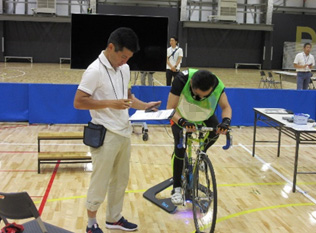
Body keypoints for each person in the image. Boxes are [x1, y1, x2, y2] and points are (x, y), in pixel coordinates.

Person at [74, 27, 161, 233]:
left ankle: (114, 218)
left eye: (128, 58)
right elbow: (79, 102)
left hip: (124, 132)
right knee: (100, 180)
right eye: (123, 56)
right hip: (105, 134)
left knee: (120, 180)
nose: (125, 61)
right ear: (111, 47)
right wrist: (110, 104)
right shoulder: (94, 70)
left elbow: (128, 98)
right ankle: (91, 223)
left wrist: (145, 105)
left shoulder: (124, 69)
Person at [166, 68, 232, 205]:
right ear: (191, 83)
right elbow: (170, 109)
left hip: (204, 113)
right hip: (181, 114)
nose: (200, 98)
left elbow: (226, 107)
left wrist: (226, 122)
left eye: (205, 96)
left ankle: (201, 154)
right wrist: (183, 122)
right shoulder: (181, 79)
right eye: (197, 94)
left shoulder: (217, 85)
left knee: (215, 131)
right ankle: (176, 188)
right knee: (180, 148)